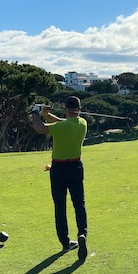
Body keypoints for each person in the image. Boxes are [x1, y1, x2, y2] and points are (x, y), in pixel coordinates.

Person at [31, 96, 88, 260]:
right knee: (79, 204)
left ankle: (65, 242)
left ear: (65, 109)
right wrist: (47, 115)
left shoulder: (61, 127)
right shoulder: (82, 123)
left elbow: (40, 128)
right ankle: (82, 234)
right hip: (76, 167)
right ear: (80, 109)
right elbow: (64, 122)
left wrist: (35, 113)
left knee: (60, 207)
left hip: (59, 169)